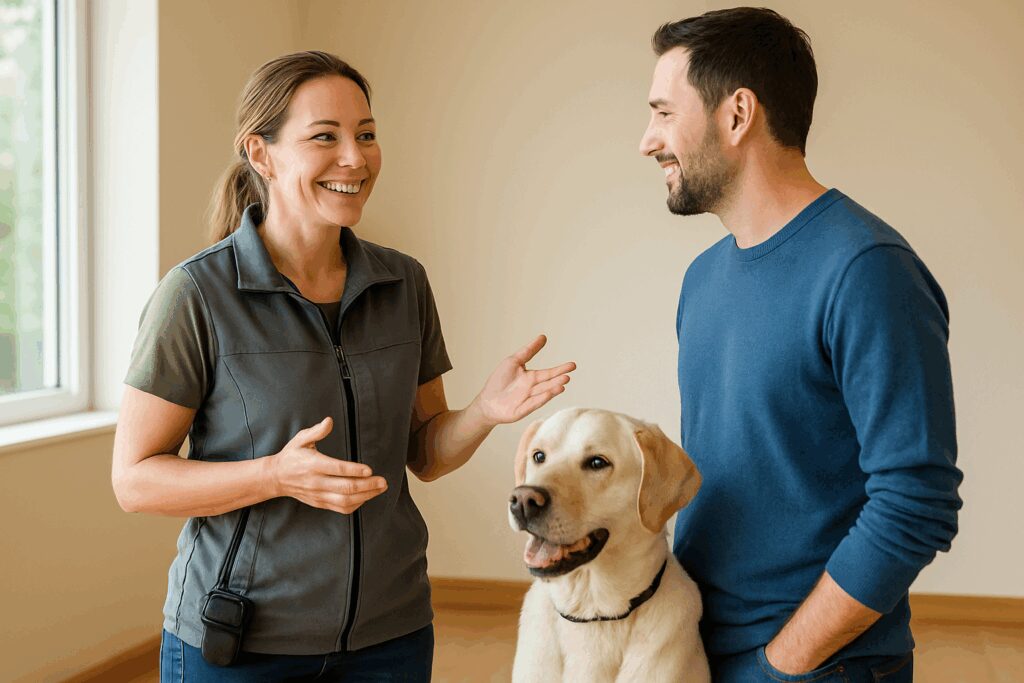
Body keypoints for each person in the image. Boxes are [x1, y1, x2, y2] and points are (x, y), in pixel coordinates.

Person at [111, 51, 575, 681]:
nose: (355, 158)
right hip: (242, 642)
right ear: (261, 154)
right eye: (325, 137)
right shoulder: (196, 294)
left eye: (366, 134)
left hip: (391, 634)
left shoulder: (403, 284)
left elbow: (424, 454)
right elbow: (135, 481)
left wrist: (484, 412)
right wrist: (275, 475)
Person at [638, 8, 961, 682]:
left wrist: (782, 664)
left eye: (664, 113)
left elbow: (916, 502)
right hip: (695, 649)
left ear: (737, 114)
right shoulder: (702, 278)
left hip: (815, 666)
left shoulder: (867, 269)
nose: (648, 141)